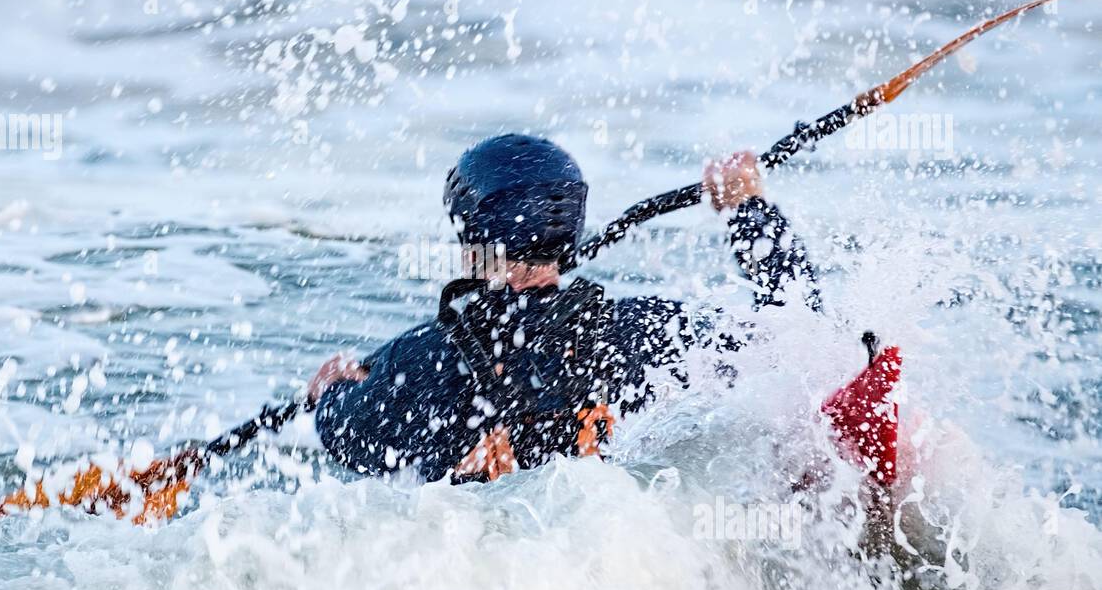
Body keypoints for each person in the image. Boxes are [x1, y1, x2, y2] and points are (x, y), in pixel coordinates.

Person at [308, 134, 818, 484]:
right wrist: (748, 208)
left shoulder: (421, 362)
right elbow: (797, 331)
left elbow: (347, 440)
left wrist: (330, 392)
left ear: (471, 243)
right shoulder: (647, 331)